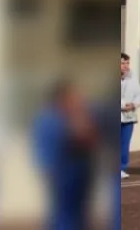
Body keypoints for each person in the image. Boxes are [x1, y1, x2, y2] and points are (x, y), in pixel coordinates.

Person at [33, 81, 99, 230]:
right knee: (62, 212)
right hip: (61, 173)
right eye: (73, 96)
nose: (78, 99)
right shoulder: (48, 118)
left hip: (80, 171)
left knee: (79, 212)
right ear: (61, 98)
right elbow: (46, 148)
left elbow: (90, 140)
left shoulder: (79, 115)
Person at [120, 53, 140, 179]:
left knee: (124, 144)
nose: (125, 66)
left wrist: (134, 104)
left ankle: (122, 168)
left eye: (127, 63)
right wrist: (123, 104)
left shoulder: (132, 77)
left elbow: (139, 94)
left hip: (129, 117)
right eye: (122, 63)